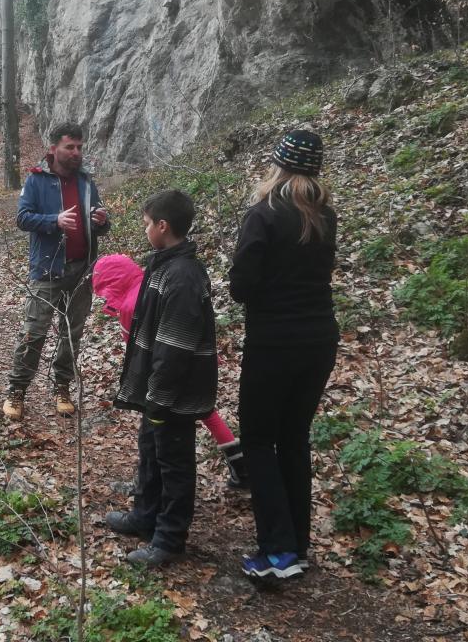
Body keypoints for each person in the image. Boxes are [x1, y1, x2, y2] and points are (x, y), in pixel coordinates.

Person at [229, 129, 339, 581]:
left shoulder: (264, 214)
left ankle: (277, 551)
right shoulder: (325, 216)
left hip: (274, 341)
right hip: (320, 339)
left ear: (278, 165)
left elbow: (241, 285)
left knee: (258, 440)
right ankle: (297, 544)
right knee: (294, 439)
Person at [105, 189, 218, 567]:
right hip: (158, 392)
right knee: (151, 451)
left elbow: (175, 346)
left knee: (174, 462)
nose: (145, 230)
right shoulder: (163, 265)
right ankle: (145, 515)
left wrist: (160, 396)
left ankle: (169, 538)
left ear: (163, 226)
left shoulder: (183, 276)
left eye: (147, 224)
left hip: (174, 395)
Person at [93, 253, 247, 488]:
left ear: (109, 283)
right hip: (193, 360)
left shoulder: (129, 307)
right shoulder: (155, 285)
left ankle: (150, 483)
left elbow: (138, 351)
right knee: (208, 414)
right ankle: (240, 466)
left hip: (164, 371)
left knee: (157, 428)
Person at [4, 122, 110, 421]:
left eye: (79, 147)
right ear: (53, 149)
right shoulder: (36, 180)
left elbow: (100, 222)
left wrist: (101, 221)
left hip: (81, 270)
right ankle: (17, 390)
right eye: (70, 147)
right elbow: (22, 218)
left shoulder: (86, 181)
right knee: (34, 332)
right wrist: (54, 220)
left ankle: (62, 387)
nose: (76, 152)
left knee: (71, 334)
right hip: (47, 270)